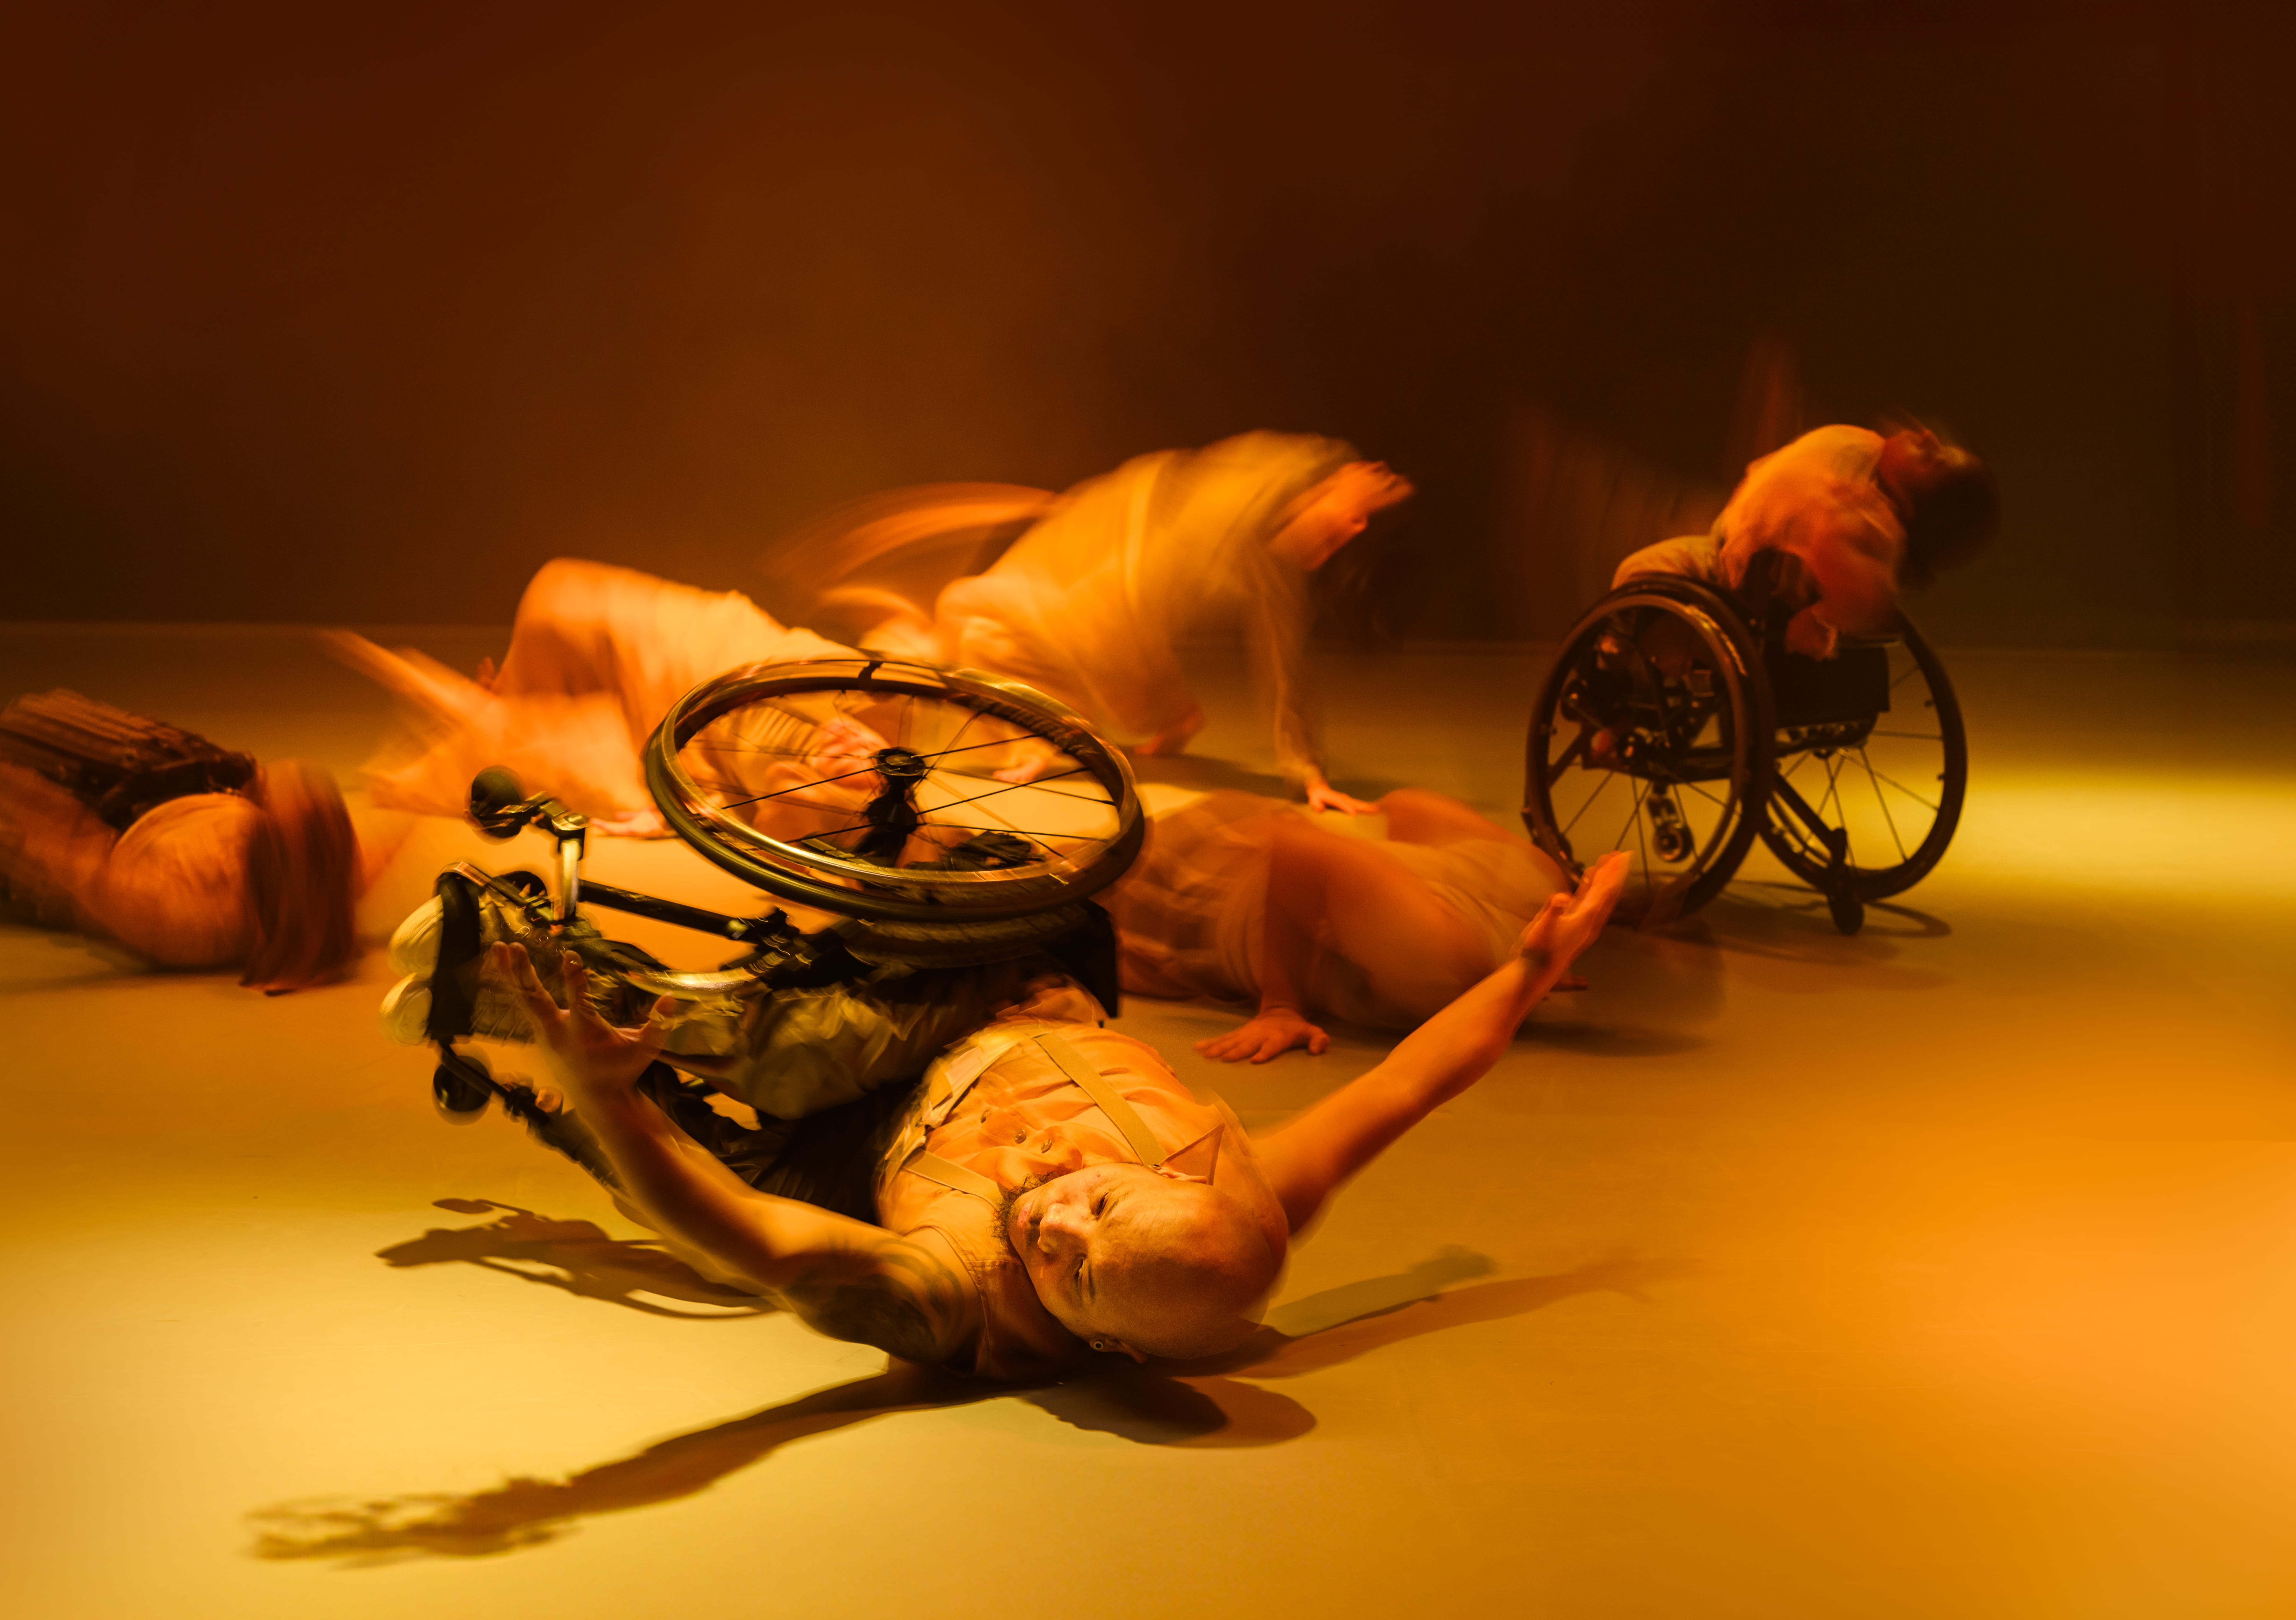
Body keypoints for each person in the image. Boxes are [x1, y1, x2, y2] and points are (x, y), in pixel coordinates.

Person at [481, 852, 1627, 1378]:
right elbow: (1403, 1086)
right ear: (1182, 1180)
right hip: (1020, 982)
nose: (1052, 1224)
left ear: (1107, 1342)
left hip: (864, 1111)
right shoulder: (1238, 1200)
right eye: (1095, 1202)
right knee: (975, 865)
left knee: (754, 1078)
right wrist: (1526, 969)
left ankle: (527, 1015)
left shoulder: (957, 1291)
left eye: (1073, 1270)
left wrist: (605, 1098)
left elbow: (764, 1243)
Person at [775, 432, 1413, 814]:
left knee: (992, 621)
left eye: (1353, 531)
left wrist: (1307, 773)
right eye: (1343, 523)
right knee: (988, 622)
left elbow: (1281, 654)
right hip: (1107, 548)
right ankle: (1130, 719)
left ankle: (1133, 718)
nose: (1345, 537)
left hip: (1111, 580)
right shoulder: (1254, 484)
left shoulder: (1269, 548)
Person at [0, 684, 366, 990]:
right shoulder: (322, 874)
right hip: (183, 798)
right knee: (26, 725)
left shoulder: (176, 913)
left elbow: (67, 840)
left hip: (119, 846)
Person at [325, 558, 853, 836]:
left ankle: (495, 708)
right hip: (731, 680)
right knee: (555, 621)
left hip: (729, 685)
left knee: (555, 616)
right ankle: (495, 707)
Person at [1108, 786, 1576, 1064]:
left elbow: (1405, 807)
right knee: (1079, 913)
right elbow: (1296, 850)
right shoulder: (1439, 954)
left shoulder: (1538, 884)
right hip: (1208, 882)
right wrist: (1281, 1005)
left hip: (1240, 842)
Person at [1612, 421, 2000, 658]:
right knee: (1677, 517)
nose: (1928, 435)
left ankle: (1631, 672)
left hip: (1732, 573)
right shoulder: (1862, 483)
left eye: (1931, 457)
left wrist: (1821, 619)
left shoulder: (1861, 520)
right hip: (1742, 544)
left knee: (1638, 572)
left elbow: (1862, 593)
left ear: (1909, 505)